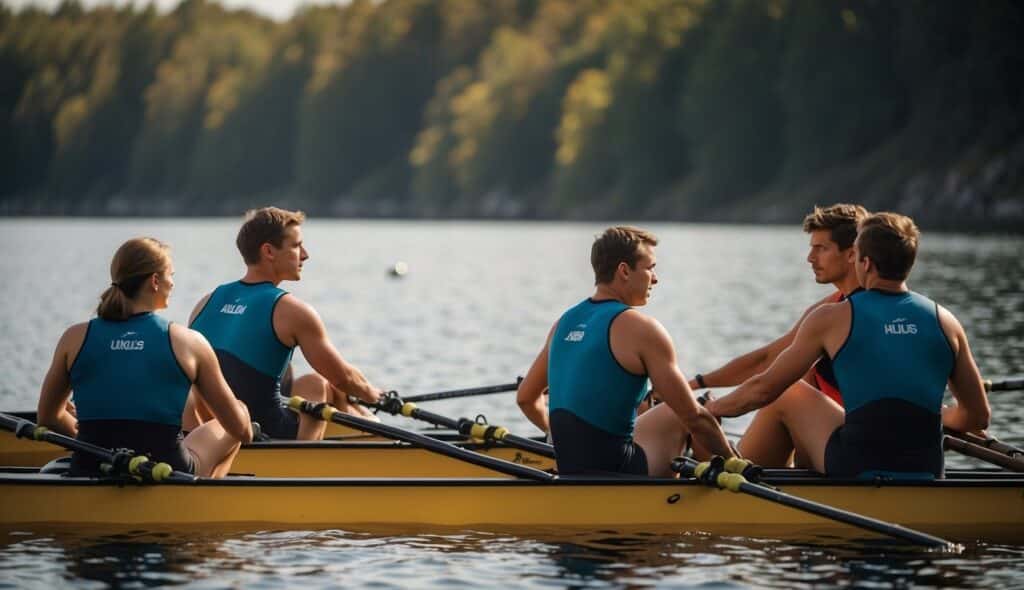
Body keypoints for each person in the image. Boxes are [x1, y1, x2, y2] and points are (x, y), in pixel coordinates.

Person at [705, 213, 990, 478]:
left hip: (857, 466)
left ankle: (735, 483)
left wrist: (711, 411)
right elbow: (977, 416)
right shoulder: (947, 322)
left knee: (787, 392)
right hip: (927, 470)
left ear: (865, 262)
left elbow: (763, 389)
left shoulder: (833, 317)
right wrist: (928, 412)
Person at [516, 226, 734, 476]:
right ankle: (721, 488)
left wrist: (559, 441)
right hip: (620, 471)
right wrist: (736, 462)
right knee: (694, 410)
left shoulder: (563, 323)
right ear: (624, 271)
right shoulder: (643, 329)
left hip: (570, 468)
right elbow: (694, 418)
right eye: (650, 267)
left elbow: (526, 398)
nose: (655, 278)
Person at [36, 238, 253, 478]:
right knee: (239, 413)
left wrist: (94, 446)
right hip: (168, 470)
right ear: (155, 281)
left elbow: (48, 417)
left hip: (90, 465)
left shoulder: (74, 338)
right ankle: (204, 501)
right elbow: (241, 430)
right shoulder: (189, 342)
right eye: (172, 275)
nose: (173, 282)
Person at [687, 203, 867, 467]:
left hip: (851, 447)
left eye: (821, 248)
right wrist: (693, 385)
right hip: (838, 436)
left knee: (786, 390)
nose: (810, 258)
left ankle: (724, 474)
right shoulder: (832, 305)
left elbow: (766, 376)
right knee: (801, 376)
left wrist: (701, 411)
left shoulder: (835, 316)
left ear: (852, 254)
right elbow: (770, 357)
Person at [186, 207, 382, 440]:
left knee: (317, 384)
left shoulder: (205, 303)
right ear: (269, 251)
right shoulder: (292, 310)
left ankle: (362, 420)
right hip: (267, 432)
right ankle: (368, 431)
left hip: (215, 431)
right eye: (296, 245)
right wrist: (377, 397)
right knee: (316, 383)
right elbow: (343, 377)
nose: (305, 254)